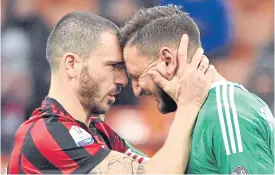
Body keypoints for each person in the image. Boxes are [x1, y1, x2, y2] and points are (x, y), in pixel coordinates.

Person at [7, 11, 215, 174]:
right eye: (112, 66)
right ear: (71, 64)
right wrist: (189, 105)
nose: (123, 80)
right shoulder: (45, 133)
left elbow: (163, 166)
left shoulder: (99, 131)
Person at [121, 5, 274, 174]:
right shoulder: (203, 111)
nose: (136, 90)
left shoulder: (225, 114)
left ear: (167, 60)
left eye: (137, 76)